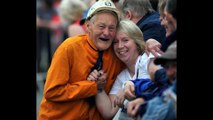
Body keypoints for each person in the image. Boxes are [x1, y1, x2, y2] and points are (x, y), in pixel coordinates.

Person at [37, 0, 125, 119]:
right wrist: (92, 87)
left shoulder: (117, 53)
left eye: (112, 28)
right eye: (101, 26)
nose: (106, 33)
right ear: (88, 26)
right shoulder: (70, 48)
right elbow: (52, 91)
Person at [87, 19, 167, 120]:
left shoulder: (149, 57)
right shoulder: (122, 76)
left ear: (137, 42)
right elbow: (109, 112)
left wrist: (129, 85)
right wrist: (99, 87)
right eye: (115, 42)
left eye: (125, 40)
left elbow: (167, 85)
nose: (120, 46)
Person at [128, 41, 177, 120]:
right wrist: (131, 83)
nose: (169, 73)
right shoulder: (169, 86)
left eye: (175, 65)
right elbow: (157, 89)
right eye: (167, 67)